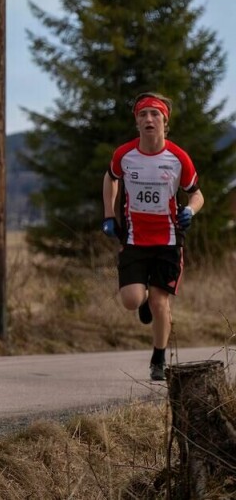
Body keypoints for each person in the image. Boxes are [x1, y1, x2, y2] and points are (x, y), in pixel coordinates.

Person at [102, 92, 203, 381]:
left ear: (164, 121)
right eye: (142, 114)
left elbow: (196, 194)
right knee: (132, 300)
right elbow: (111, 178)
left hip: (169, 241)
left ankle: (158, 358)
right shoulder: (124, 155)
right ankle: (143, 299)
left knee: (161, 303)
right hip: (134, 239)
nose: (148, 119)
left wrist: (191, 212)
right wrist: (109, 214)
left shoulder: (178, 158)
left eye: (154, 114)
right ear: (137, 122)